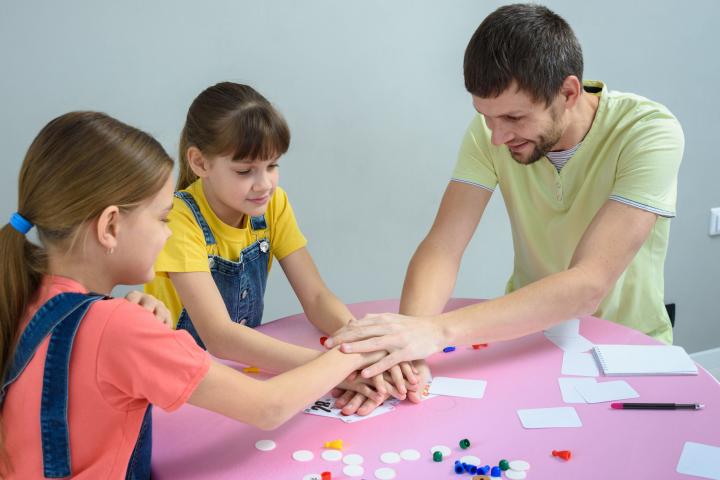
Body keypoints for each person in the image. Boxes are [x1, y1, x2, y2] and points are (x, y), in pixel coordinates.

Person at [0, 111, 386, 479]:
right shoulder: (116, 326)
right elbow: (268, 407)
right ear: (111, 226)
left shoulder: (26, 292)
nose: (168, 232)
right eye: (162, 218)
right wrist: (359, 351)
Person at [325, 3, 684, 379]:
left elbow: (588, 283)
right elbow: (443, 247)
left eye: (514, 117)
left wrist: (435, 331)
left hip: (631, 348)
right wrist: (407, 344)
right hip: (534, 339)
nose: (497, 136)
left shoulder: (648, 132)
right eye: (486, 116)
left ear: (569, 93)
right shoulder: (489, 134)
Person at [143, 82, 418, 413]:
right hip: (180, 387)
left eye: (272, 166)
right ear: (200, 163)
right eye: (245, 171)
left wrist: (365, 345)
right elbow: (219, 336)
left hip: (237, 372)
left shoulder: (273, 205)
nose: (264, 184)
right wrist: (334, 368)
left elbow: (316, 297)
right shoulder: (179, 220)